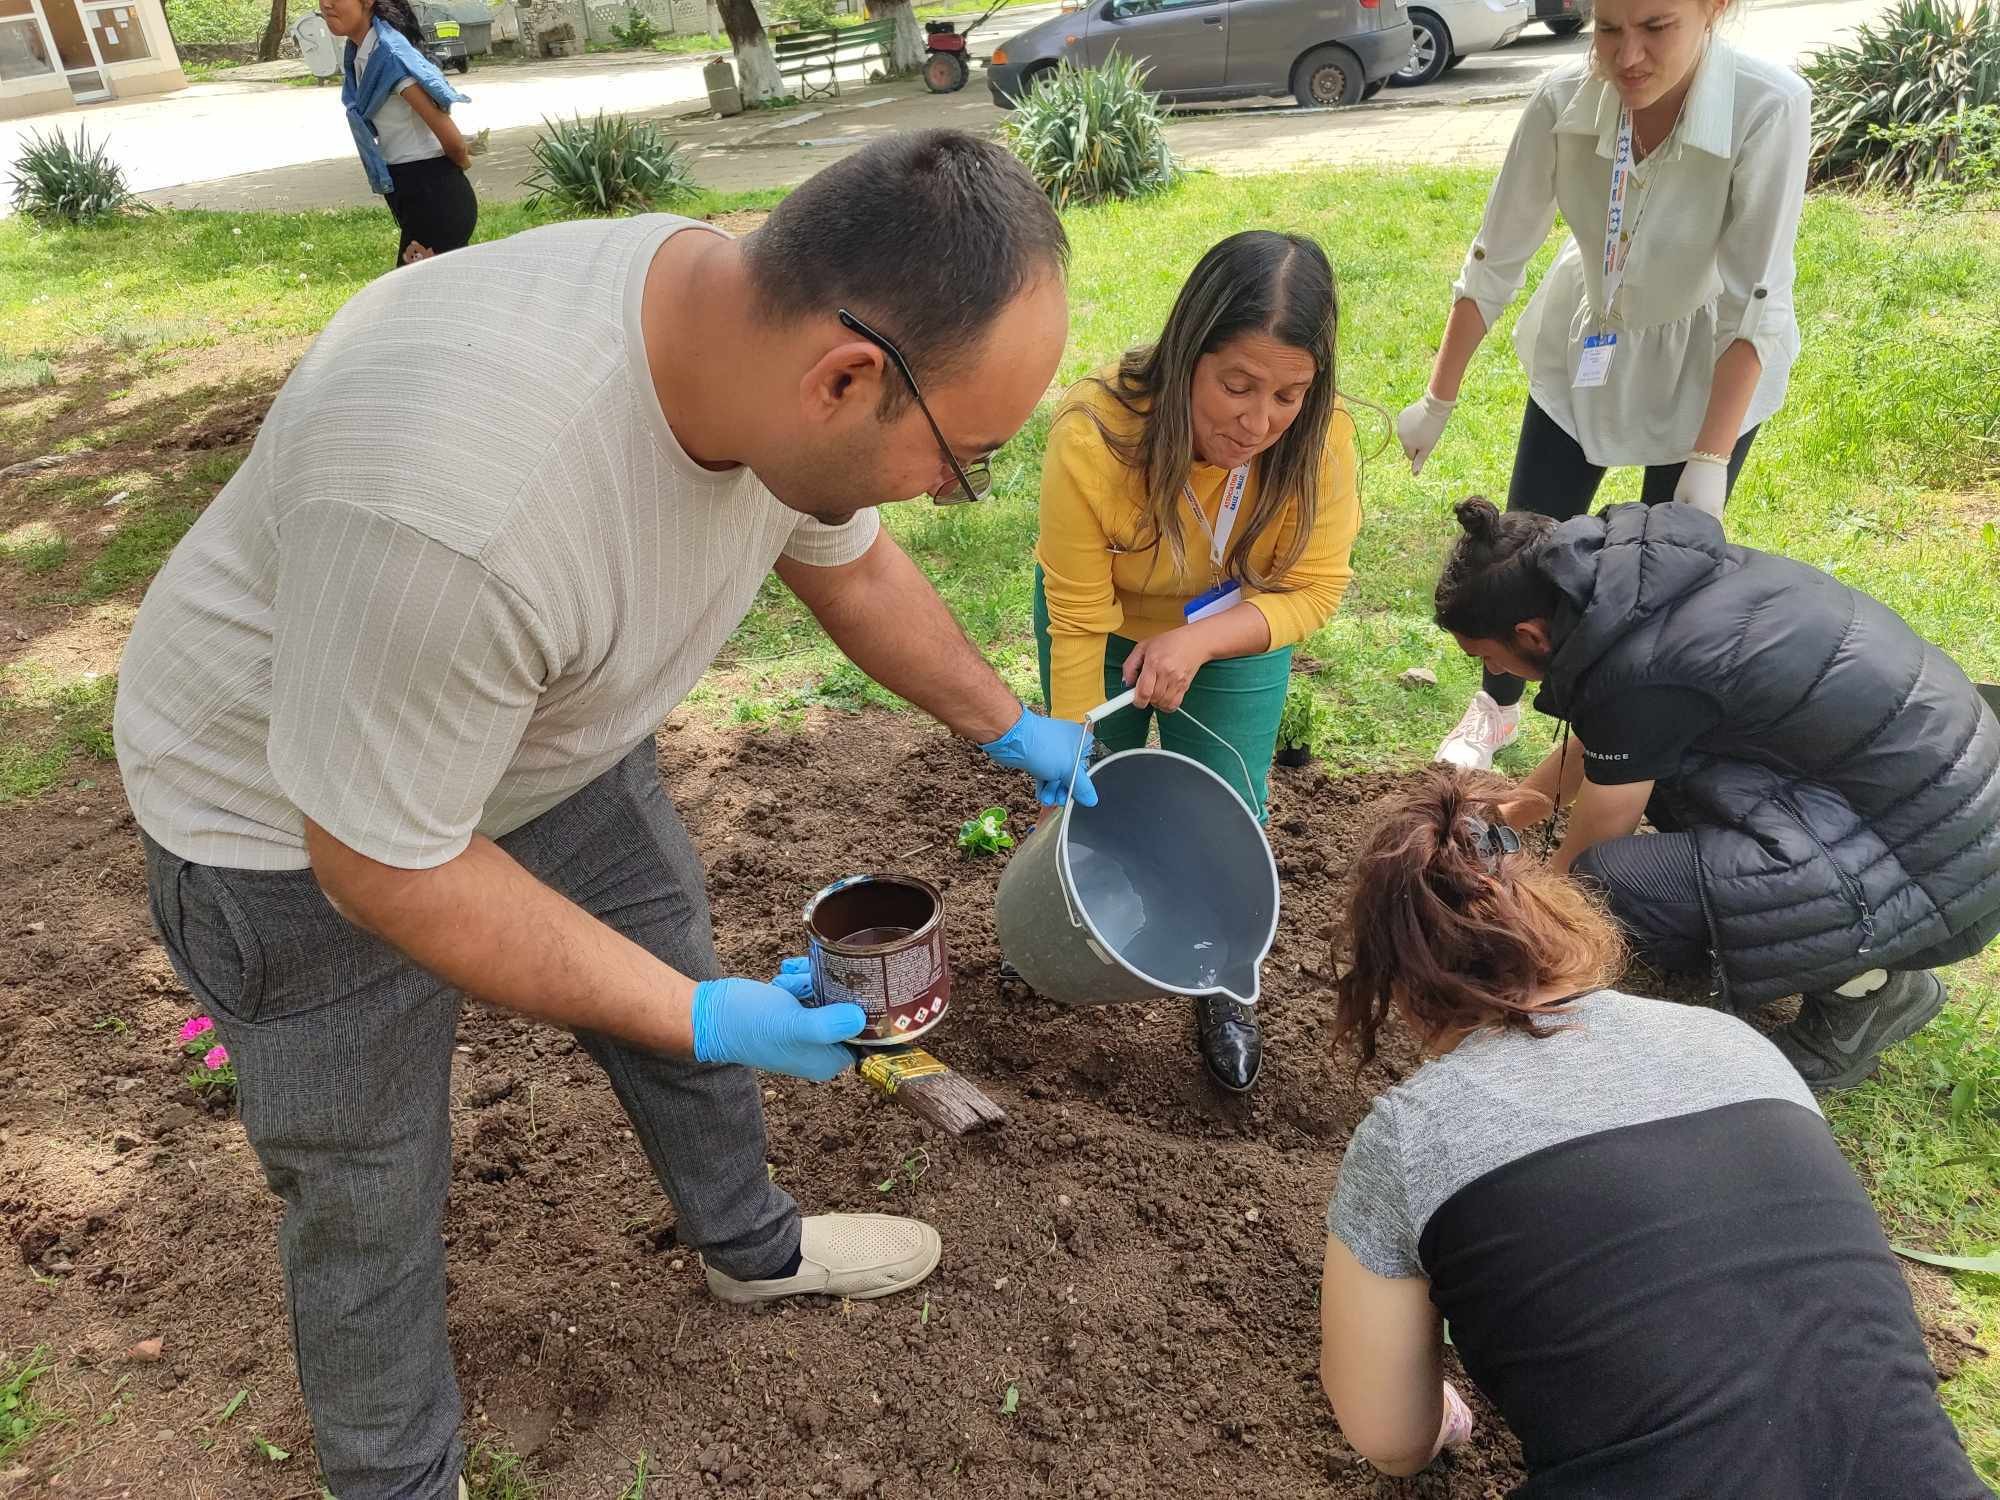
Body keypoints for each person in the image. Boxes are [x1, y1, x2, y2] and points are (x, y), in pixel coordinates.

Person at [112, 132, 1095, 1500]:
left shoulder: (747, 342)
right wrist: (697, 1016)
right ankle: (395, 1483)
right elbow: (383, 865)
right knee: (366, 1191)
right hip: (289, 824)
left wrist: (1008, 724)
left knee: (667, 957)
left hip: (537, 735)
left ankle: (750, 1246)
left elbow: (850, 572)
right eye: (966, 461)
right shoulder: (470, 506)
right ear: (849, 379)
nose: (952, 493)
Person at [1318, 769, 1989, 1496]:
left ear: (1403, 989)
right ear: (1560, 921)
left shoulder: (1416, 1133)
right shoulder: (1739, 1049)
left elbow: (1389, 1439)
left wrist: (1439, 1411)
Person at [1428, 496, 2000, 1090]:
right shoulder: (1636, 584)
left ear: (1530, 634)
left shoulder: (1640, 668)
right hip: (1930, 790)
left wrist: (1525, 930)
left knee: (1610, 882)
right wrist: (1513, 810)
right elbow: (1608, 742)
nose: (1495, 669)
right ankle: (1806, 938)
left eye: (1487, 657)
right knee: (1661, 784)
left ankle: (1866, 996)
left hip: (1943, 858)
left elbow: (1594, 836)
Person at [1395, 0, 1811, 770]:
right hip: (1589, 334)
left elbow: (1757, 299)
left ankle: (1611, 743)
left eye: (1656, 28)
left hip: (1709, 360)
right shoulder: (1561, 102)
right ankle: (1495, 708)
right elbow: (1495, 256)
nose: (1628, 57)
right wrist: (1438, 399)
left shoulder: (1768, 106)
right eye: (1608, 28)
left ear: (1713, 9)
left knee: (1655, 581)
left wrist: (1710, 460)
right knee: (1521, 546)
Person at [1033, 229, 1363, 1093]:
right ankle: (1051, 920)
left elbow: (1316, 591)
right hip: (1100, 622)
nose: (1258, 423)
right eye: (1236, 385)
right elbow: (1075, 613)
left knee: (1231, 801)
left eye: (1290, 394)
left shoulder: (1321, 443)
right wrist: (1072, 737)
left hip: (1236, 626)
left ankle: (1223, 976)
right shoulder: (1095, 433)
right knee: (1084, 783)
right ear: (1188, 357)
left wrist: (1199, 640)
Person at [325, 0, 478, 270]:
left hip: (433, 194)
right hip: (412, 191)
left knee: (417, 298)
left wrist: (461, 162)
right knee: (432, 297)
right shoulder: (363, 53)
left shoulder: (390, 58)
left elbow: (452, 139)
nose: (326, 4)